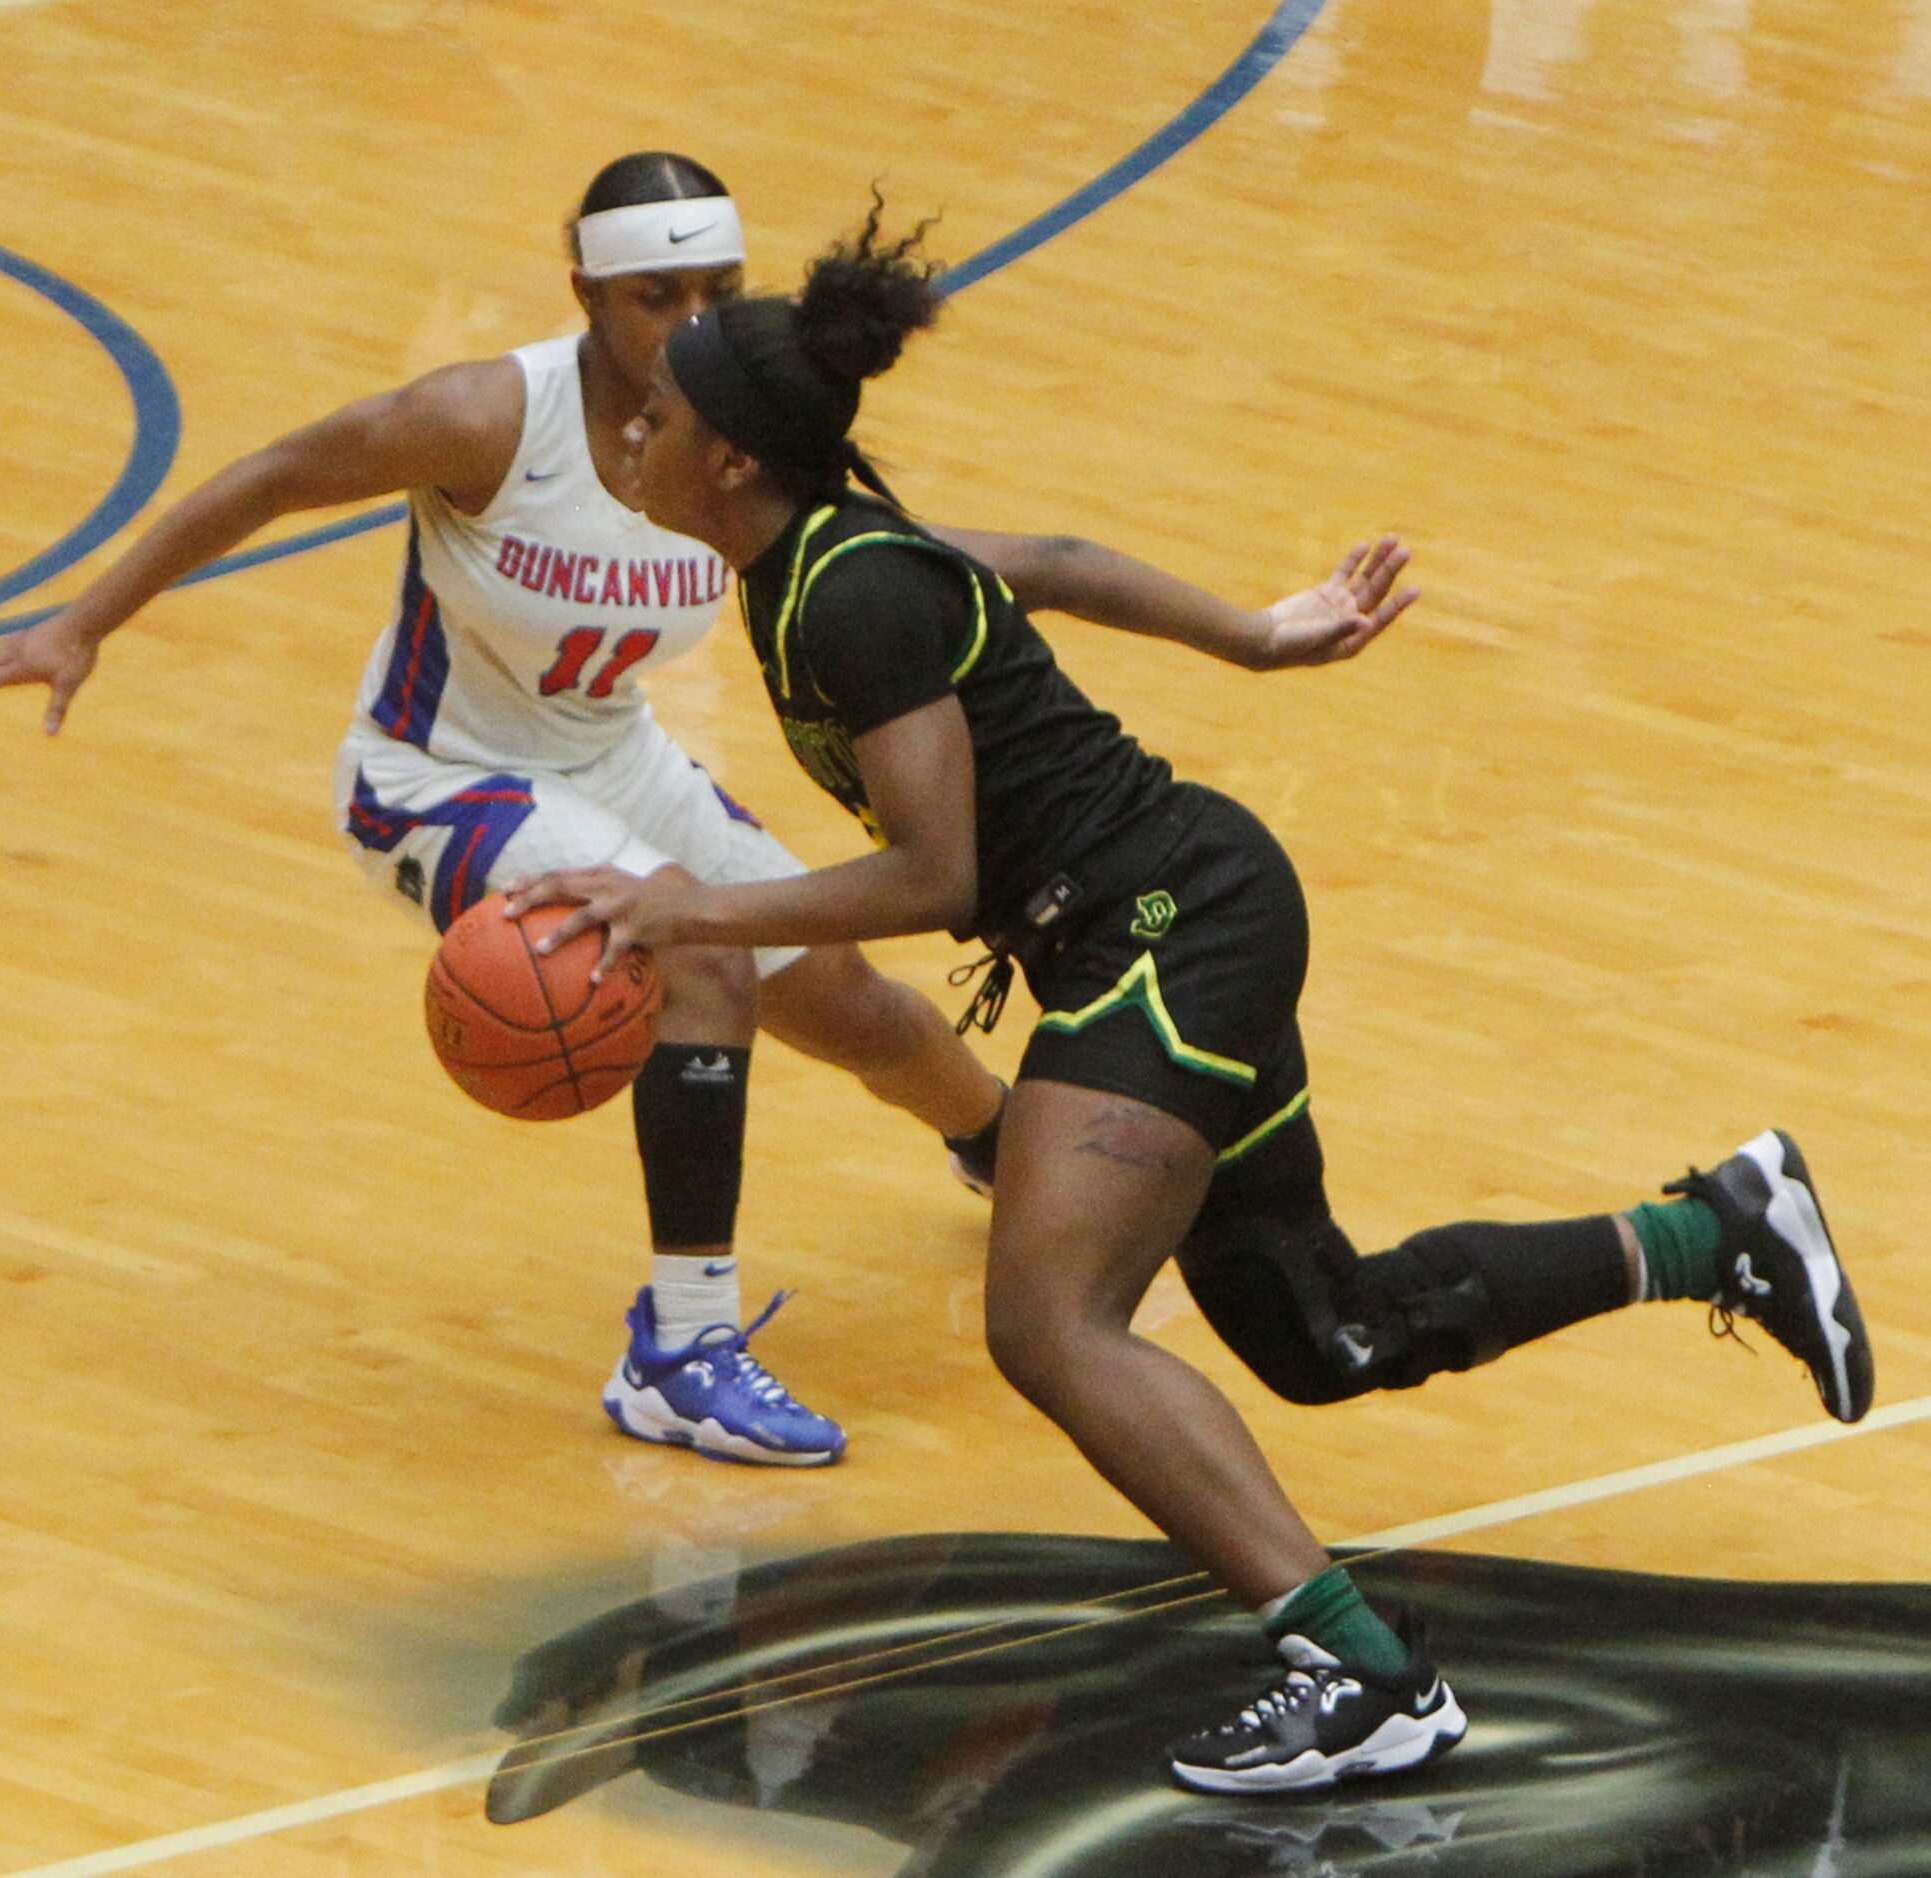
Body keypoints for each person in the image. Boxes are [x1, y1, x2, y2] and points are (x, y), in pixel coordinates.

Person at [503, 202, 1876, 1791]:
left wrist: (695, 907)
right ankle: (1724, 1226)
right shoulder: (815, 556)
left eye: (660, 412)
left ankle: (1367, 1674)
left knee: (1050, 1321)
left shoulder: (846, 590)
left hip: (1166, 928)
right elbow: (1053, 566)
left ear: (734, 458)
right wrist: (1254, 633)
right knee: (1324, 1331)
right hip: (1171, 917)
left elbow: (936, 877)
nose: (636, 426)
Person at [0, 151, 1134, 1469]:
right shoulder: (484, 417)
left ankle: (1002, 1146)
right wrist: (85, 622)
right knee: (702, 951)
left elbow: (941, 558)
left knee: (852, 1003)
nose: (689, 320)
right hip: (437, 774)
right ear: (586, 293)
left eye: (716, 289)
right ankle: (680, 1351)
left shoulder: (740, 428)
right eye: (653, 295)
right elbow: (274, 474)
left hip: (610, 750)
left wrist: (1239, 626)